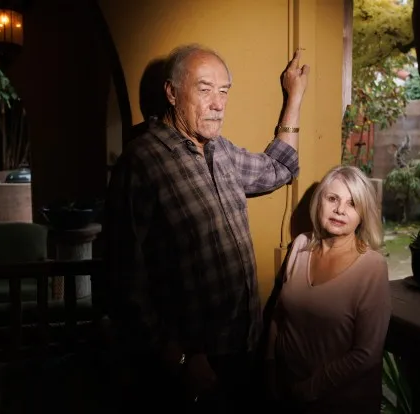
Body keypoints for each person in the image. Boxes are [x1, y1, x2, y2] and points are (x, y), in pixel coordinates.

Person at [103, 44, 309, 412]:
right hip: (190, 365)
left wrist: (294, 96)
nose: (218, 103)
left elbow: (280, 168)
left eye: (224, 91)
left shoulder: (222, 151)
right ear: (171, 92)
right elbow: (123, 280)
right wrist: (179, 359)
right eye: (204, 89)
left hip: (243, 349)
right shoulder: (141, 162)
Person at [266, 165, 391, 414]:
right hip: (285, 393)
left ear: (363, 214)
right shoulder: (301, 246)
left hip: (340, 402)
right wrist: (269, 369)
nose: (340, 210)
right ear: (319, 202)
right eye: (332, 198)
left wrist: (309, 389)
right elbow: (279, 315)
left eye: (352, 203)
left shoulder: (372, 267)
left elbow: (367, 354)